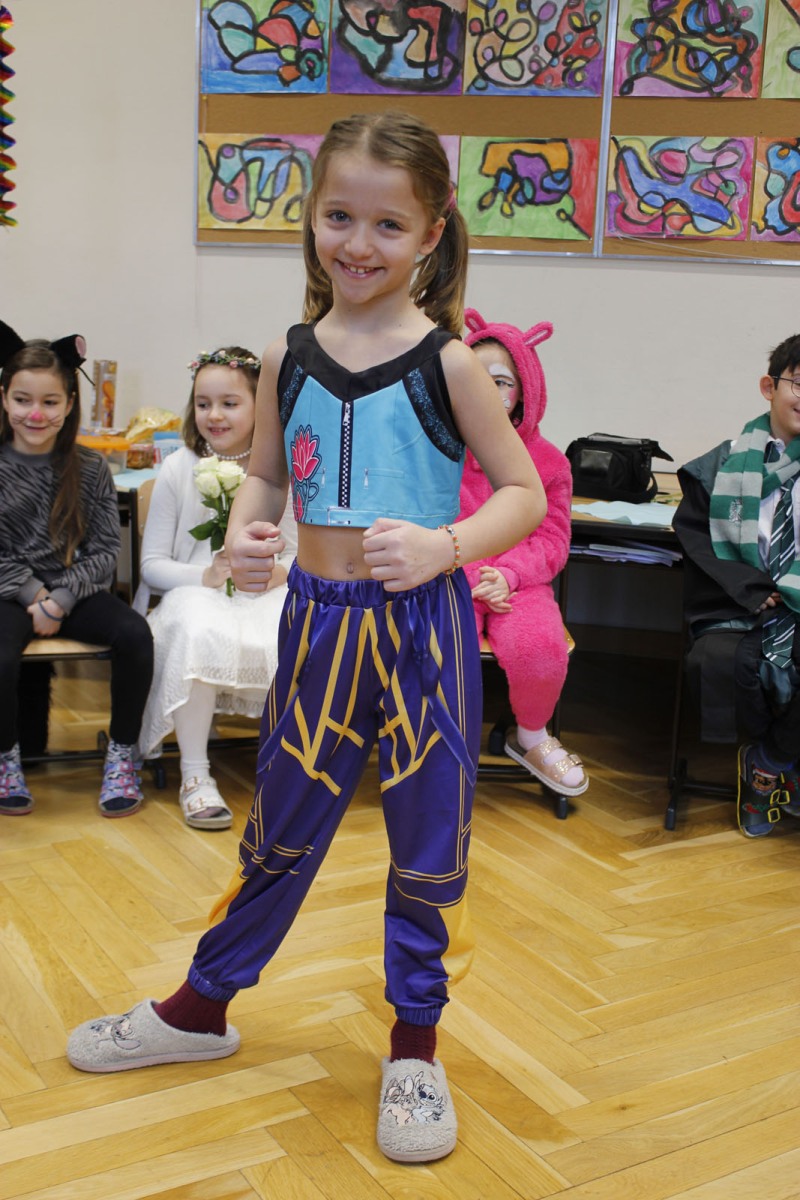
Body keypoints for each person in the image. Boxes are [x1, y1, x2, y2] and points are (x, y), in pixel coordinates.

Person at [67, 110, 546, 1165]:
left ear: (430, 234)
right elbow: (271, 477)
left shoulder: (451, 363)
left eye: (388, 224)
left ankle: (414, 1046)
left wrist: (446, 546)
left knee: (428, 842)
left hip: (422, 634)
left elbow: (522, 493)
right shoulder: (287, 356)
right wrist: (247, 538)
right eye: (339, 217)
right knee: (279, 827)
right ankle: (201, 1006)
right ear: (312, 218)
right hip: (319, 628)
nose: (358, 244)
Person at [133, 346, 297, 830]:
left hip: (266, 588)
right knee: (198, 628)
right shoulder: (179, 467)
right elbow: (151, 567)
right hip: (194, 589)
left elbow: (300, 555)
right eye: (203, 404)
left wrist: (278, 573)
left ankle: (287, 773)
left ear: (260, 405)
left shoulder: (284, 468)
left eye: (229, 403)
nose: (214, 415)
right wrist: (205, 575)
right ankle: (195, 774)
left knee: (293, 628)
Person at [0, 320, 154, 817]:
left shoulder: (89, 468)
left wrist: (60, 599)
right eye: (23, 400)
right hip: (9, 594)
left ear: (69, 405)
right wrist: (33, 596)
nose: (35, 413)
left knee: (135, 634)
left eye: (49, 402)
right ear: (4, 399)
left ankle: (122, 757)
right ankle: (5, 760)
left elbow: (106, 550)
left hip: (74, 590)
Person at [673, 332, 800, 838]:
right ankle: (780, 761)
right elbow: (695, 537)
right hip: (740, 602)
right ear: (770, 387)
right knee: (718, 661)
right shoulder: (724, 464)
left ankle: (770, 762)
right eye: (799, 383)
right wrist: (749, 587)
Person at [460, 309, 587, 796]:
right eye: (474, 378)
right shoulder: (439, 450)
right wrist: (471, 571)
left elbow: (552, 539)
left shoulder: (549, 462)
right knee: (434, 645)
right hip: (451, 573)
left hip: (520, 584)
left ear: (524, 391)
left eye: (500, 382)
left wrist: (508, 575)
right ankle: (431, 739)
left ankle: (532, 734)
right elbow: (427, 522)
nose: (486, 391)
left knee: (539, 648)